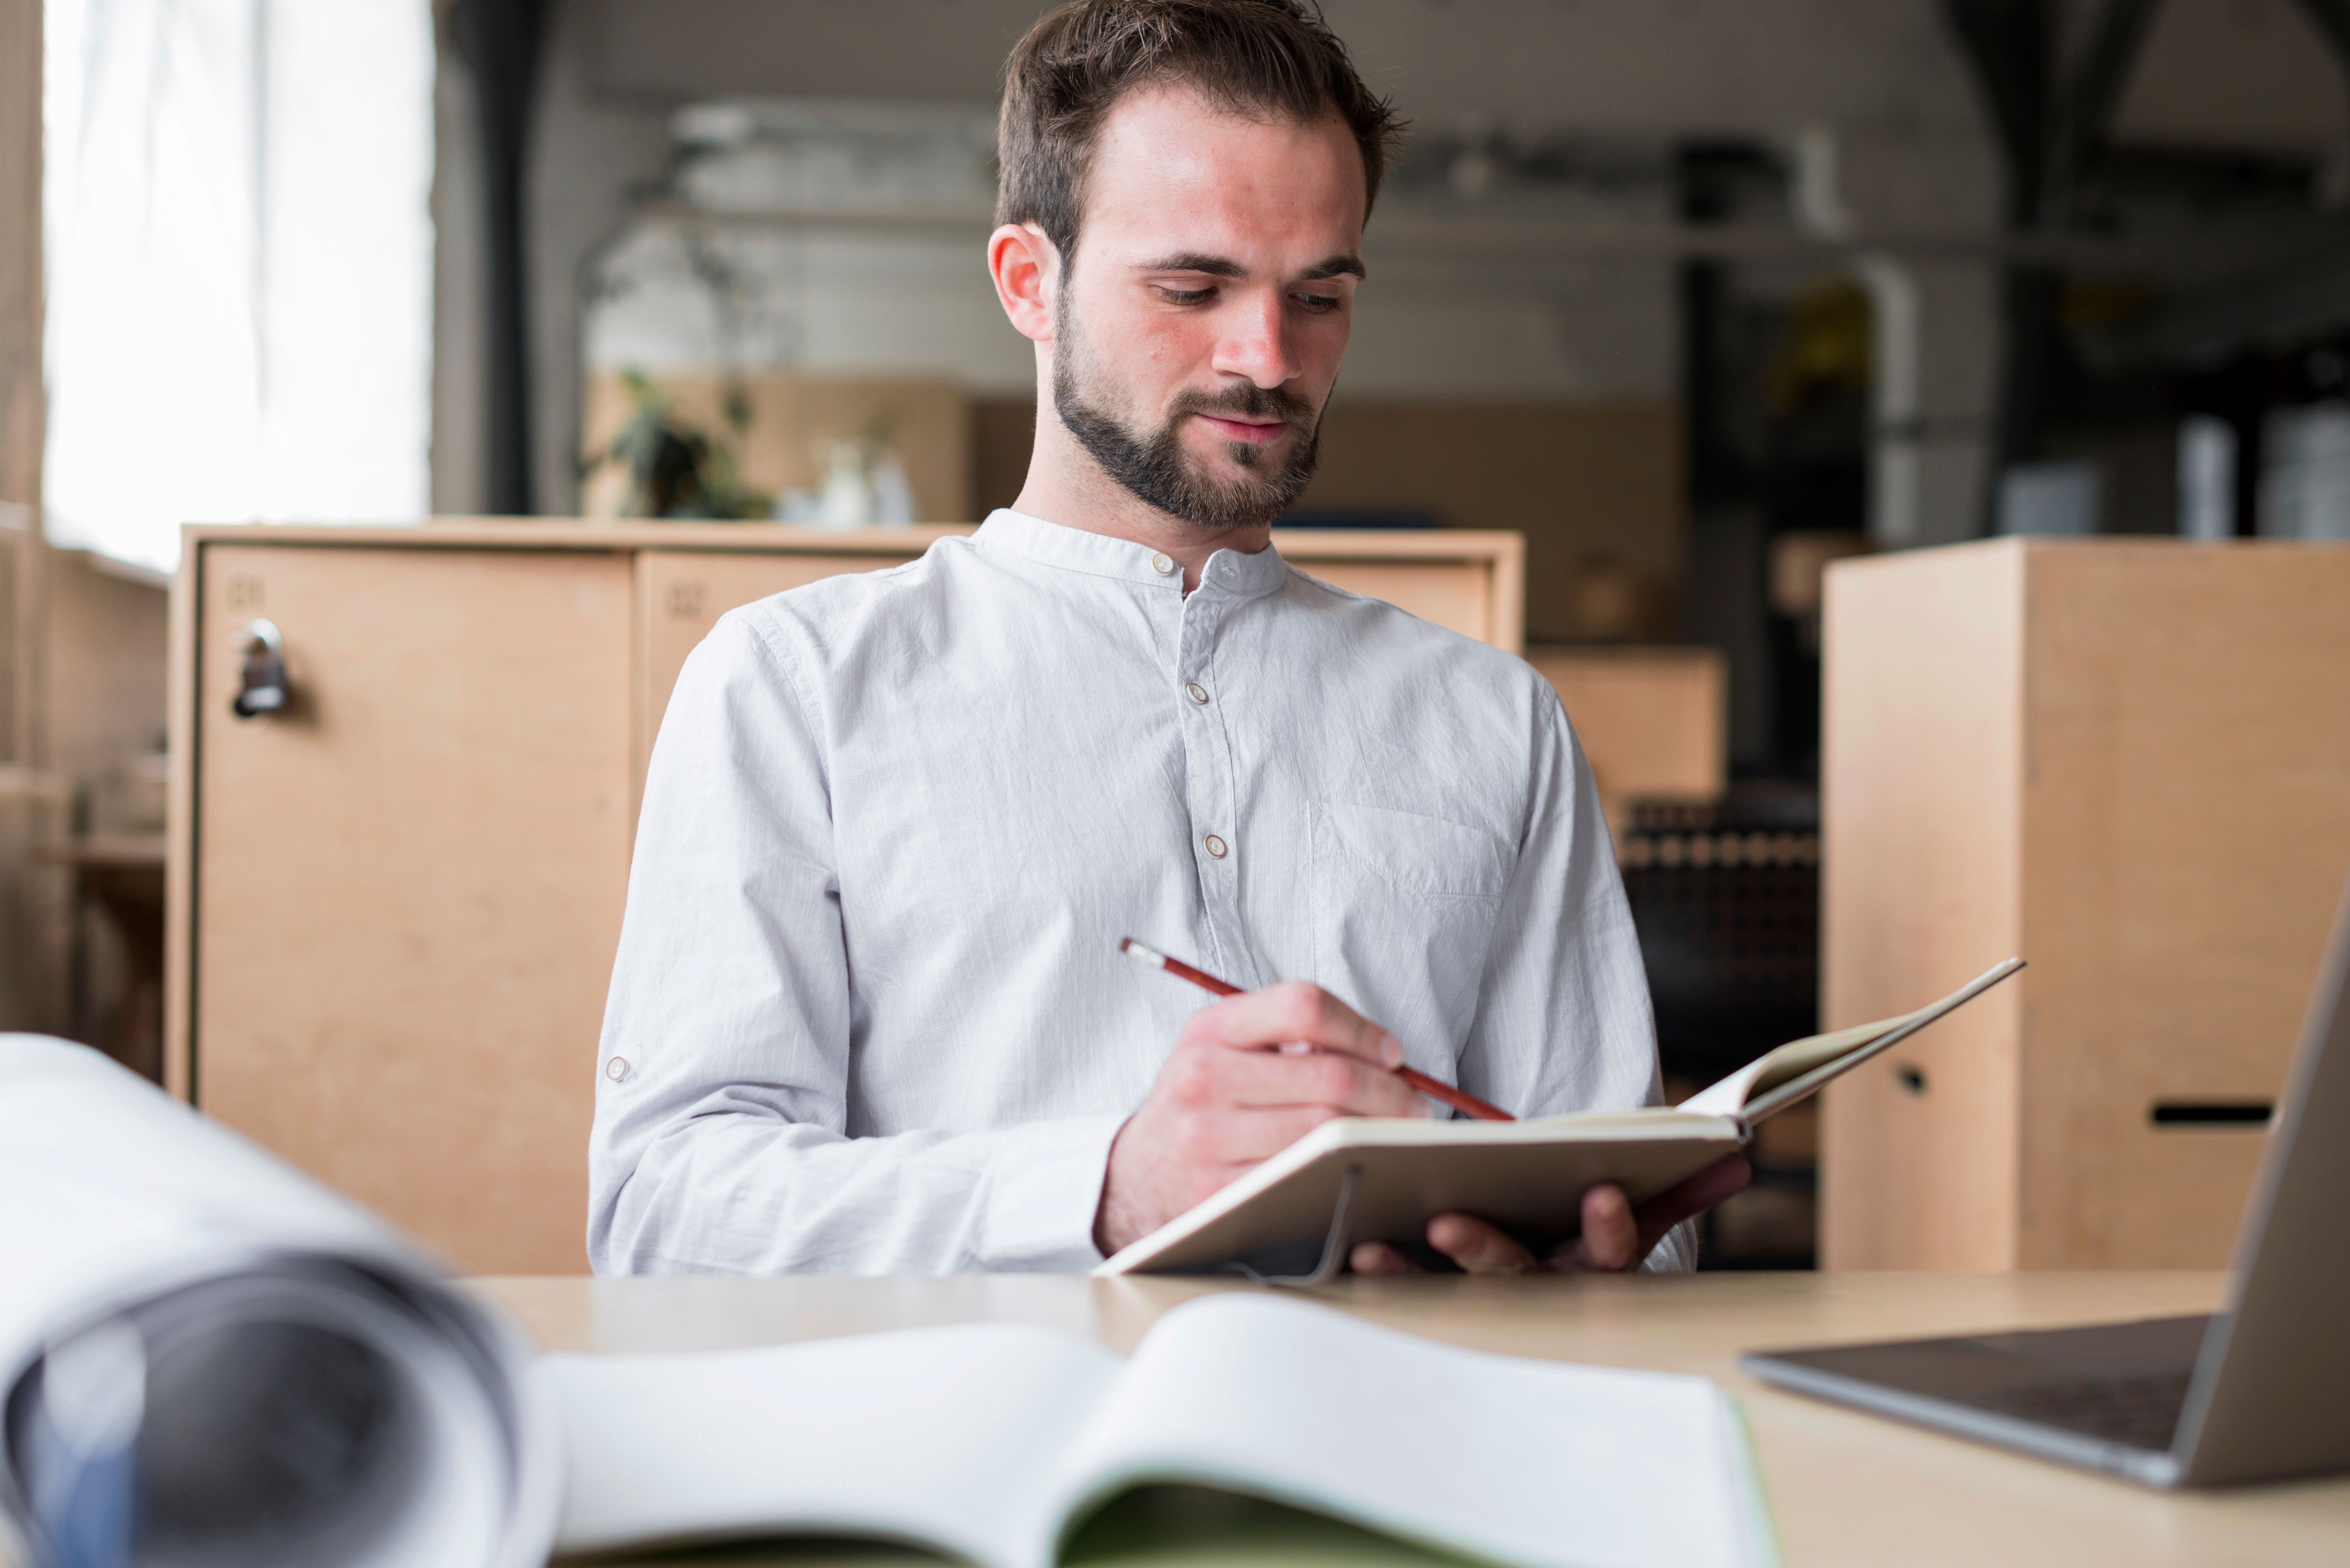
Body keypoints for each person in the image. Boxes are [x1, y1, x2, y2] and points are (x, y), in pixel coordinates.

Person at [588, 0, 1749, 1277]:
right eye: (1193, 287)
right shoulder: (793, 688)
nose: (1266, 358)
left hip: (1396, 1451)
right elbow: (664, 1211)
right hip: (976, 1460)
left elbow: (1630, 1217)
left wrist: (1600, 1262)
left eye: (1319, 295)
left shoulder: (1494, 719)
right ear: (1031, 283)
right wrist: (1105, 1191)